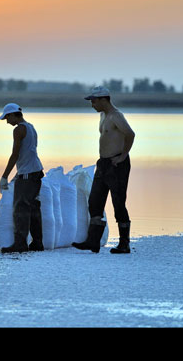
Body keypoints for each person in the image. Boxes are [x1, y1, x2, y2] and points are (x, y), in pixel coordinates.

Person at [72, 86, 136, 254]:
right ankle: (93, 241)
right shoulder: (103, 115)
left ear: (103, 99)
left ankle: (124, 243)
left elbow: (130, 134)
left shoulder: (116, 116)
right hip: (103, 164)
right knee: (94, 202)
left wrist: (122, 156)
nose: (92, 104)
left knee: (118, 203)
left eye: (94, 101)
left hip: (117, 164)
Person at [0, 103, 45, 253]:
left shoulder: (19, 129)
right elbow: (29, 152)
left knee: (21, 208)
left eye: (7, 117)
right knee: (34, 208)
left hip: (27, 174)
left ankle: (20, 244)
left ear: (13, 115)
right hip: (36, 171)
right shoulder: (31, 127)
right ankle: (37, 242)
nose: (7, 121)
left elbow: (15, 154)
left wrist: (4, 176)